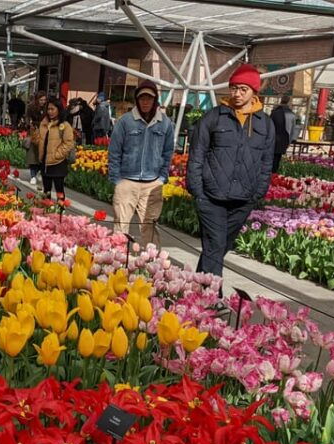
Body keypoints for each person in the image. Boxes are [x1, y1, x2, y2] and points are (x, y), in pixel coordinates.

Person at [187, 64, 274, 293]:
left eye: (243, 89)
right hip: (211, 197)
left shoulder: (265, 124)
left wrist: (257, 193)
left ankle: (196, 292)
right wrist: (198, 192)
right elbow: (196, 155)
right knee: (215, 245)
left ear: (254, 92)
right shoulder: (214, 117)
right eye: (234, 88)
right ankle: (213, 299)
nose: (237, 94)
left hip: (243, 200)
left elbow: (267, 162)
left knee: (217, 248)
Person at [108, 81, 175, 249]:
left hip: (152, 183)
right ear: (137, 100)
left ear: (155, 100)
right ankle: (117, 259)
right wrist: (117, 180)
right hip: (127, 180)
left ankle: (150, 261)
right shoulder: (125, 121)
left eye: (149, 98)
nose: (145, 102)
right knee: (121, 226)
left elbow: (168, 152)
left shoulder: (165, 123)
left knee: (149, 228)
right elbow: (114, 151)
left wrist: (161, 178)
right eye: (142, 98)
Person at [31, 97, 75, 202]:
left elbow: (68, 143)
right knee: (46, 191)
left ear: (59, 109)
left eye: (52, 109)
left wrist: (57, 155)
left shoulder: (64, 125)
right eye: (48, 109)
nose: (50, 112)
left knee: (59, 190)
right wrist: (34, 134)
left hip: (58, 163)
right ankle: (47, 209)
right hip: (45, 162)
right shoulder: (44, 123)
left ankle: (60, 210)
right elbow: (39, 141)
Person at [26, 91, 48, 187]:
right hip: (34, 132)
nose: (43, 102)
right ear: (37, 100)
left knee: (43, 154)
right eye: (41, 100)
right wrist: (29, 125)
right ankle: (33, 176)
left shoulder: (48, 108)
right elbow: (27, 118)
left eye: (44, 100)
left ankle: (39, 171)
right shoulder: (31, 107)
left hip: (45, 132)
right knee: (33, 154)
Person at [269, 95, 296, 173]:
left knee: (271, 159)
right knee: (277, 159)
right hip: (284, 140)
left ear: (281, 101)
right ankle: (274, 174)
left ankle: (271, 174)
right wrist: (289, 142)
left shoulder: (274, 113)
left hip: (273, 139)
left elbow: (269, 127)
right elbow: (292, 131)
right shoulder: (292, 115)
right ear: (289, 102)